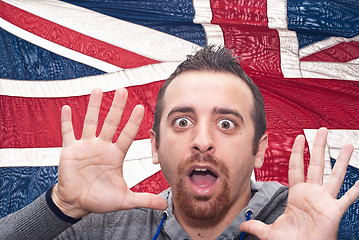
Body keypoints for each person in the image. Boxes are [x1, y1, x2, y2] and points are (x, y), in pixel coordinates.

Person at [1, 46, 358, 240]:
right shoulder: (106, 227)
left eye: (226, 123)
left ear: (260, 148)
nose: (202, 141)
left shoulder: (303, 226)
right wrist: (60, 205)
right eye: (183, 122)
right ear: (155, 147)